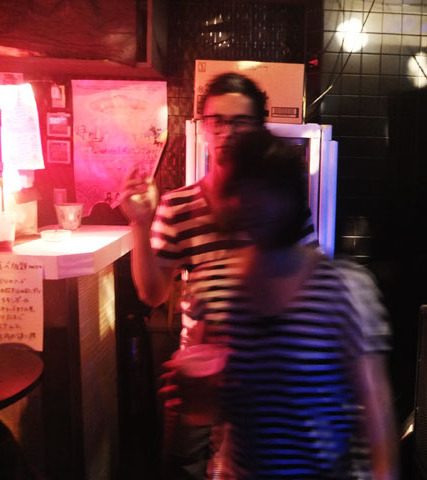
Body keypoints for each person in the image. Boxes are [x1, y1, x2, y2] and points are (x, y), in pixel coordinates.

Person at [168, 129, 399, 479]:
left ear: (292, 198)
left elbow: (377, 415)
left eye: (268, 189)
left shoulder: (344, 288)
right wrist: (188, 395)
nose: (254, 202)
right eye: (242, 190)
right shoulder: (214, 285)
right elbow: (212, 410)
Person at [120, 72, 318, 479]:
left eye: (240, 122)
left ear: (259, 129)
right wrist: (140, 223)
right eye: (217, 121)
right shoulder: (178, 205)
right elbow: (153, 294)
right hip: (200, 369)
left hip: (265, 368)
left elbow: (308, 287)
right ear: (204, 127)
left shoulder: (278, 204)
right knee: (183, 469)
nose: (227, 133)